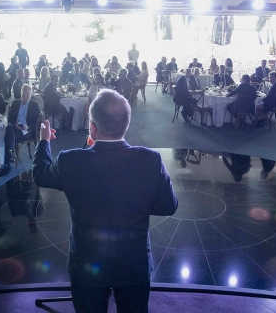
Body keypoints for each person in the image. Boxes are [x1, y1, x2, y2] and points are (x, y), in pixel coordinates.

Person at [32, 89, 178, 313]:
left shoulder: (70, 161)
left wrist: (44, 141)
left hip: (87, 265)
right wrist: (139, 204)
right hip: (133, 265)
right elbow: (169, 206)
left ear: (92, 127)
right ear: (126, 125)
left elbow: (40, 174)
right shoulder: (151, 159)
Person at [4, 84, 42, 169]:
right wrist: (15, 124)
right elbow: (10, 118)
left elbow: (37, 122)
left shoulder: (35, 105)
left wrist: (27, 127)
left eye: (27, 95)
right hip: (16, 127)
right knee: (9, 128)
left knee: (8, 136)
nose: (25, 97)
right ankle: (10, 154)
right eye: (23, 95)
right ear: (20, 94)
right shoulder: (15, 103)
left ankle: (8, 157)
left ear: (30, 94)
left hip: (28, 130)